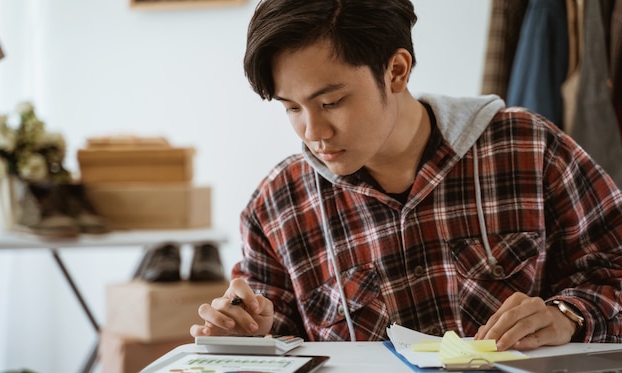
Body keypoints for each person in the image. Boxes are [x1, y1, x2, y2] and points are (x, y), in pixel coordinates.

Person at [190, 0, 622, 351]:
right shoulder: (277, 205)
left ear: (396, 70)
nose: (313, 133)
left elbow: (613, 272)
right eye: (291, 108)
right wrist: (245, 336)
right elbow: (270, 343)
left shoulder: (528, 147)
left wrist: (569, 315)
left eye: (332, 101)